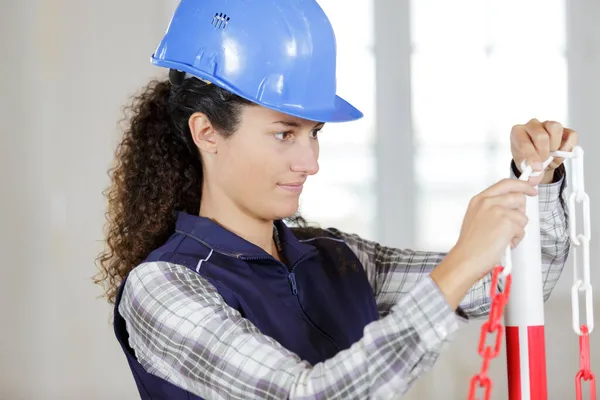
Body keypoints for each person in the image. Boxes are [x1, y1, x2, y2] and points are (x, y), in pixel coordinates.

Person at [94, 0, 576, 399]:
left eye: (314, 133)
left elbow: (516, 283)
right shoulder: (164, 289)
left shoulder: (337, 258)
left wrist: (538, 177)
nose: (310, 163)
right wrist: (461, 260)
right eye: (284, 134)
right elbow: (310, 394)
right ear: (207, 131)